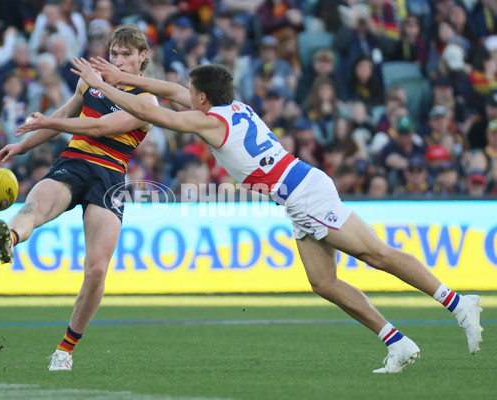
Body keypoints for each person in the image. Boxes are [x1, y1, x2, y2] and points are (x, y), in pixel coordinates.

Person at [29, 57, 484, 374]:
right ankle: (397, 342)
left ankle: (458, 304)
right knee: (323, 283)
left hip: (305, 192)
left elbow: (153, 111)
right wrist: (114, 75)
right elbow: (163, 90)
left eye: (192, 92)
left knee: (377, 255)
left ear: (203, 97)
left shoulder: (210, 122)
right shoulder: (229, 107)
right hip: (296, 195)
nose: (185, 94)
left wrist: (103, 85)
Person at [0, 24, 157, 372]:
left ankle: (65, 349)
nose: (118, 60)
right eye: (114, 53)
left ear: (143, 57)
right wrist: (22, 146)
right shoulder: (89, 81)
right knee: (32, 209)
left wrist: (48, 122)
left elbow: (98, 127)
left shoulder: (146, 101)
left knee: (96, 269)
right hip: (73, 162)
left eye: (126, 54)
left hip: (109, 177)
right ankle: (10, 237)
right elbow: (63, 118)